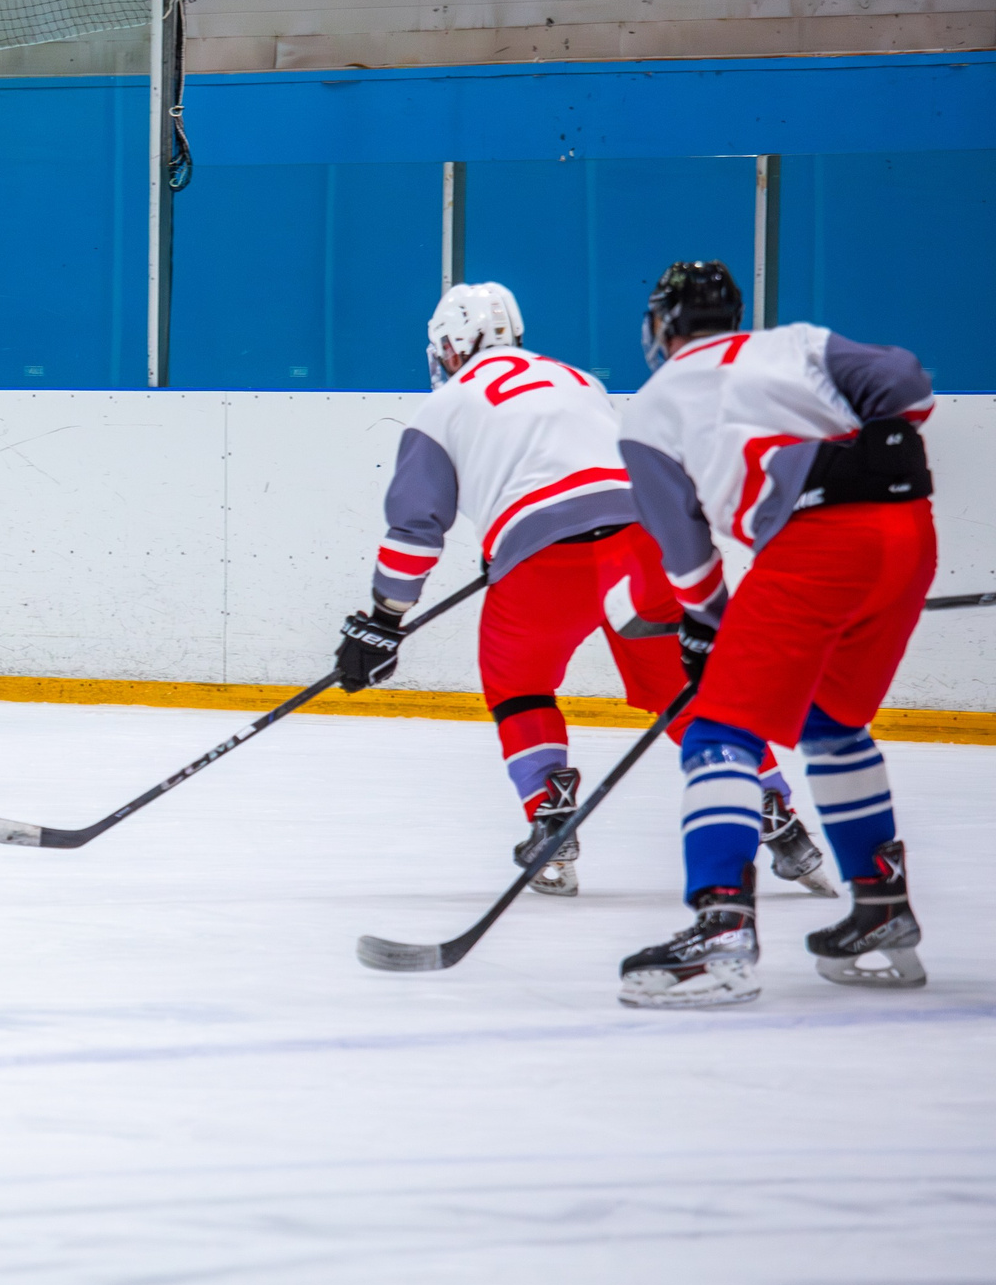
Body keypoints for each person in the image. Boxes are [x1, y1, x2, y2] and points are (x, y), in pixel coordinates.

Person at [333, 281, 830, 896]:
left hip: (541, 564)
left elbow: (415, 526)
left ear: (455, 344)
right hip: (643, 542)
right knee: (683, 687)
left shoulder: (443, 406)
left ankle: (552, 818)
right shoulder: (576, 379)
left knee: (520, 685)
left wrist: (384, 617)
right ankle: (773, 811)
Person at [613, 261, 936, 1008]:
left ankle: (721, 924)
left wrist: (708, 625)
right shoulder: (793, 343)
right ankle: (881, 906)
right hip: (909, 530)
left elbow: (686, 553)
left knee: (717, 734)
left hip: (820, 542)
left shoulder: (652, 404)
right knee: (832, 721)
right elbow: (908, 383)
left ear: (663, 326)